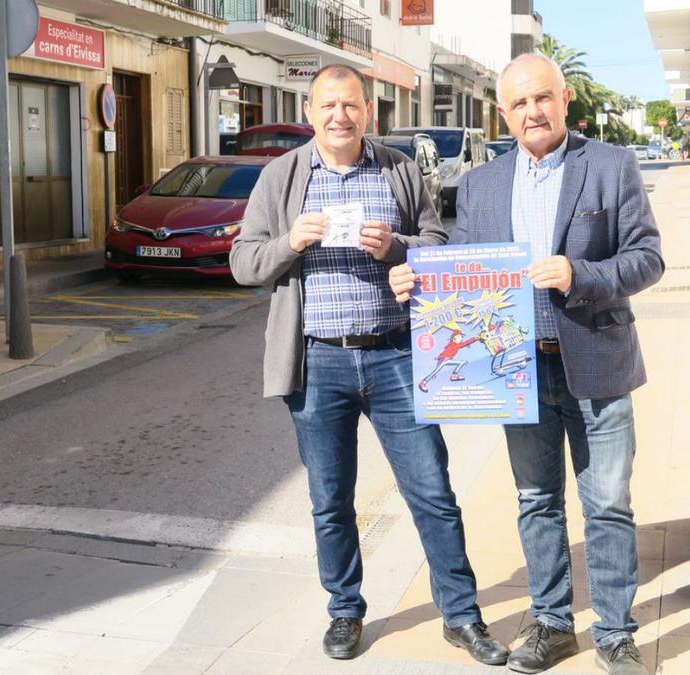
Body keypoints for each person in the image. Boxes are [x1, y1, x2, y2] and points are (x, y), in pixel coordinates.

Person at [391, 53, 664, 675]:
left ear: (565, 99)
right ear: (503, 114)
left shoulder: (611, 167)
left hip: (596, 363)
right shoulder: (483, 184)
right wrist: (420, 282)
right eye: (518, 104)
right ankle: (552, 623)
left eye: (542, 98)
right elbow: (461, 264)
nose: (532, 111)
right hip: (515, 370)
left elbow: (647, 258)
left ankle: (617, 632)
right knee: (537, 500)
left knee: (608, 503)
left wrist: (581, 274)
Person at [229, 64, 508, 666]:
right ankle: (345, 611)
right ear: (311, 112)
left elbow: (440, 244)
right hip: (318, 362)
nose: (340, 116)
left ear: (368, 113)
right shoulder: (282, 177)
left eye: (351, 105)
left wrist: (398, 247)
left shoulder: (399, 169)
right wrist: (291, 243)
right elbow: (244, 263)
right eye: (328, 105)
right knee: (330, 498)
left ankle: (461, 616)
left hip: (396, 355)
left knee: (433, 491)